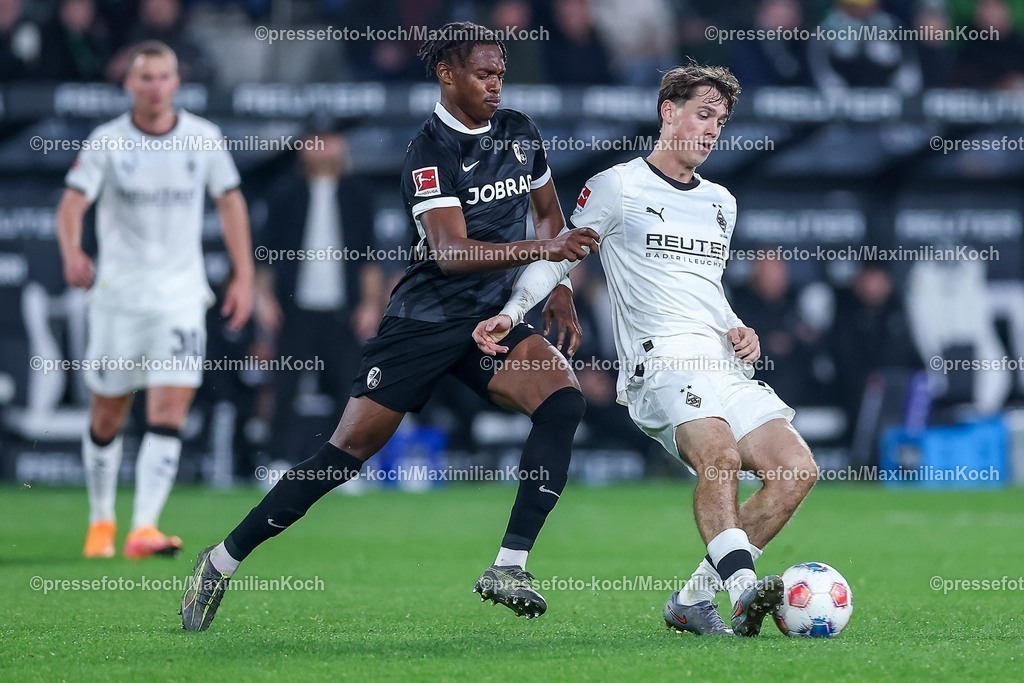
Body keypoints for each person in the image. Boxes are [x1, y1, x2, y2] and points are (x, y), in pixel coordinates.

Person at [180, 22, 601, 631]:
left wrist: (557, 282)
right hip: (424, 322)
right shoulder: (428, 151)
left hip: (491, 319)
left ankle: (509, 564)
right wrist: (547, 253)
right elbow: (450, 252)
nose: (496, 85)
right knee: (344, 454)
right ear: (447, 74)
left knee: (562, 402)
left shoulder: (519, 131)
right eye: (483, 74)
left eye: (501, 73)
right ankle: (219, 561)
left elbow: (546, 214)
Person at [473, 63, 818, 637]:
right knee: (720, 458)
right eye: (704, 114)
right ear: (668, 111)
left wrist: (738, 326)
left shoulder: (721, 202)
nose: (712, 130)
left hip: (720, 361)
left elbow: (704, 287)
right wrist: (511, 314)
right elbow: (559, 255)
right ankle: (742, 591)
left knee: (796, 470)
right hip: (660, 363)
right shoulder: (620, 186)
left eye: (721, 121)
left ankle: (692, 600)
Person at [56, 41, 255, 559]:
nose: (155, 86)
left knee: (170, 407)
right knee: (109, 414)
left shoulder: (203, 138)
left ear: (176, 82)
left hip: (181, 297)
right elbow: (72, 202)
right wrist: (73, 250)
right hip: (119, 297)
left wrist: (244, 275)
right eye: (145, 78)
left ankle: (144, 527)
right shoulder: (107, 142)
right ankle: (101, 520)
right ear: (129, 84)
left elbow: (230, 203)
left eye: (164, 77)